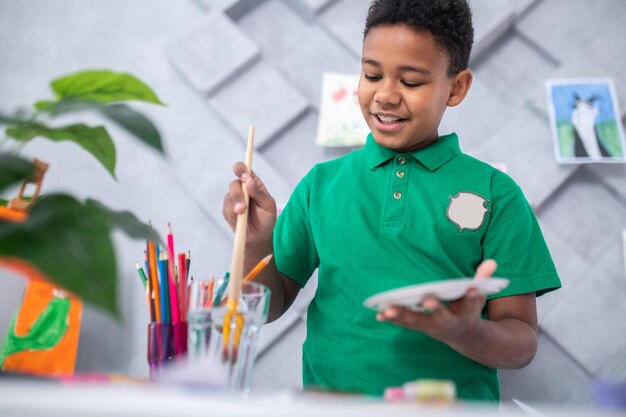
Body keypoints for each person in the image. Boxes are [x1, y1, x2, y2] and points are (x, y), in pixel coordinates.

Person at [223, 0, 561, 402]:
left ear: (457, 87)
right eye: (371, 74)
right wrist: (255, 243)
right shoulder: (321, 184)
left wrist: (470, 333)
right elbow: (265, 308)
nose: (384, 95)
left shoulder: (497, 194)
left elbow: (522, 342)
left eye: (411, 82)